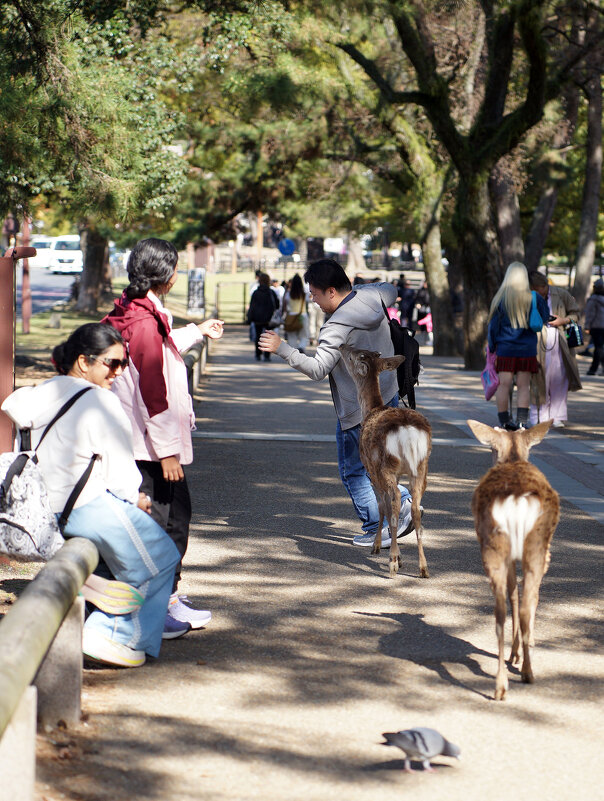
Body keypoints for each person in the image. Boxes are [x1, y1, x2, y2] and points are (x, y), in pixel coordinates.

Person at [1, 323, 182, 667]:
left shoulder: (41, 391)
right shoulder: (100, 402)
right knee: (160, 559)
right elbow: (121, 473)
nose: (118, 372)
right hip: (86, 505)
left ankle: (103, 622)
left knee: (126, 559)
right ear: (83, 362)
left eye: (123, 364)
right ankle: (113, 633)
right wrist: (137, 499)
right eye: (111, 364)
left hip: (42, 510)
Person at [102, 238, 224, 633]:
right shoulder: (141, 321)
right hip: (149, 445)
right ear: (168, 276)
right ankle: (157, 608)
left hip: (138, 440)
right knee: (168, 523)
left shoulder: (132, 309)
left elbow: (163, 346)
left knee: (169, 519)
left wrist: (197, 331)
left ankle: (165, 599)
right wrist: (168, 452)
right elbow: (153, 393)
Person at [258, 258, 415, 549]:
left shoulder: (335, 326)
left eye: (315, 293)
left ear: (331, 291)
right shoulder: (373, 296)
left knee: (353, 469)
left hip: (357, 409)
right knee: (379, 460)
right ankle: (402, 504)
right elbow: (391, 288)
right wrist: (358, 289)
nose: (313, 300)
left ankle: (380, 522)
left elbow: (317, 369)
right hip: (389, 392)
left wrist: (283, 349)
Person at [487, 262, 549, 430]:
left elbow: (493, 328)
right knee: (524, 386)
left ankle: (505, 421)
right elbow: (543, 319)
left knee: (504, 385)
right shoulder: (534, 297)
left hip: (505, 349)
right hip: (527, 349)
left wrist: (492, 348)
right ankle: (522, 422)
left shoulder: (501, 298)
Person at [528, 271, 582, 427]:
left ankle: (557, 416)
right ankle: (539, 416)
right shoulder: (528, 296)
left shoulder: (561, 294)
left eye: (539, 289)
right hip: (537, 342)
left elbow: (575, 314)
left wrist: (563, 320)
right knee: (538, 378)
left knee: (559, 379)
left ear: (545, 286)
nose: (537, 293)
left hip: (559, 342)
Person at [246, 272, 280, 361]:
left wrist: (250, 318)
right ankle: (267, 355)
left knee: (258, 336)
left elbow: (252, 306)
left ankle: (258, 354)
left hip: (257, 318)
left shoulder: (256, 293)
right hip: (269, 318)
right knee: (268, 337)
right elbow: (277, 305)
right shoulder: (271, 292)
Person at [282, 273, 309, 353]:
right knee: (304, 335)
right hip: (302, 315)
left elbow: (285, 306)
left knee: (291, 336)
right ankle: (301, 347)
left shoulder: (288, 294)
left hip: (291, 316)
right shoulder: (304, 294)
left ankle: (293, 351)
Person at [584, 278, 604, 376]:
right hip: (601, 326)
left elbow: (590, 314)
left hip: (596, 327)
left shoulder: (593, 300)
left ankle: (593, 369)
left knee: (598, 348)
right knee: (600, 348)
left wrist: (587, 326)